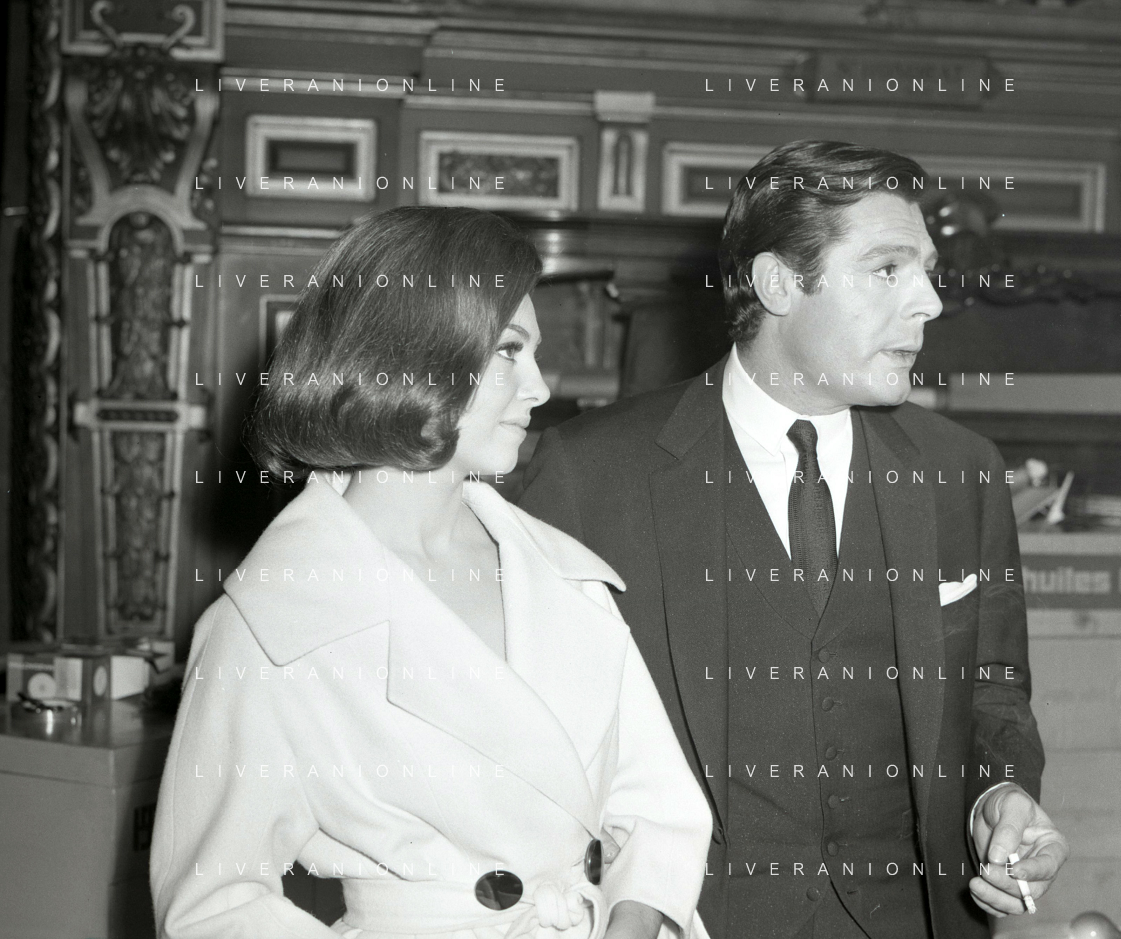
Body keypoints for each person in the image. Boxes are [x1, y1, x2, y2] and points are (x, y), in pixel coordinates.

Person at [520, 140, 1068, 939]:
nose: (928, 302)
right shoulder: (588, 473)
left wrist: (1000, 792)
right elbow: (533, 741)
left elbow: (992, 689)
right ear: (779, 283)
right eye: (887, 269)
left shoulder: (961, 471)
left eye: (925, 271)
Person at [149, 206, 712, 939]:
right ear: (412, 359)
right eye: (509, 351)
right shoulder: (270, 623)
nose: (540, 388)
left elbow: (657, 808)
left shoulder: (563, 575)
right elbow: (213, 909)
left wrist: (631, 924)